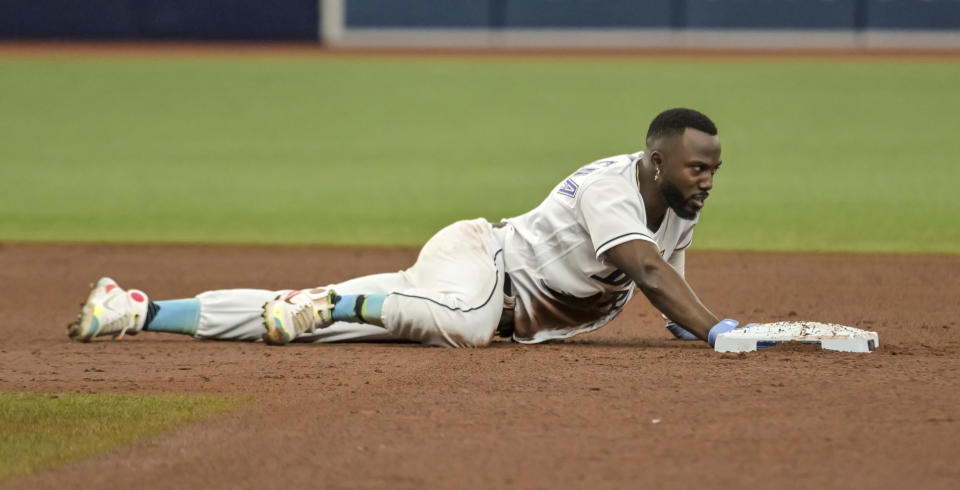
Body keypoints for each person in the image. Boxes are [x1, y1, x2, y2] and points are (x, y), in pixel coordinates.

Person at [68, 108, 744, 349]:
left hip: (460, 283)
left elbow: (670, 289)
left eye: (713, 170)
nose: (706, 180)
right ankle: (334, 300)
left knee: (306, 322)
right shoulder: (611, 189)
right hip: (483, 269)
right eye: (696, 168)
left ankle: (136, 309)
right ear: (657, 162)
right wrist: (719, 331)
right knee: (467, 326)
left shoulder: (675, 208)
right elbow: (648, 274)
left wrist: (697, 322)